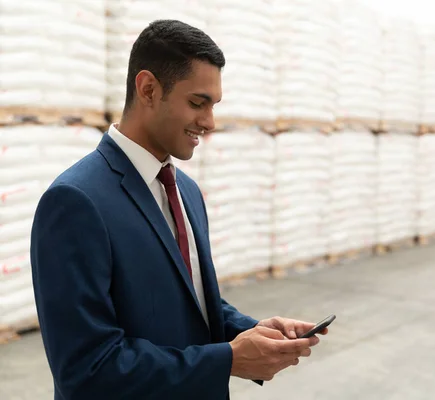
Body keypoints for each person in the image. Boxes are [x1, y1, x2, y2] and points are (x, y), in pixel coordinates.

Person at [30, 19, 327, 400]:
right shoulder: (76, 201)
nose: (209, 122)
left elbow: (192, 302)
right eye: (197, 103)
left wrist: (252, 334)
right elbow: (86, 368)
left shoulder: (185, 191)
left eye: (214, 106)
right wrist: (228, 360)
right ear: (149, 89)